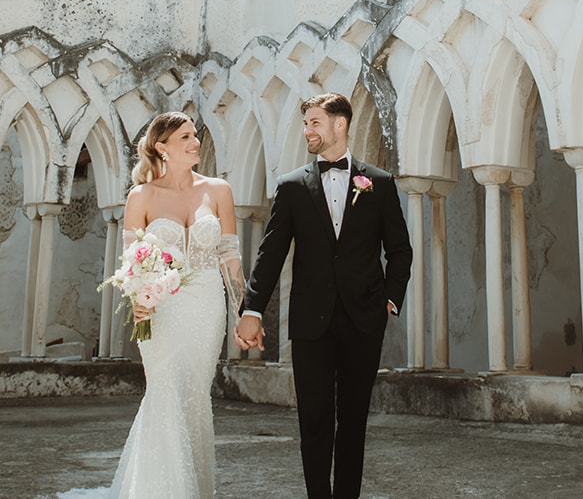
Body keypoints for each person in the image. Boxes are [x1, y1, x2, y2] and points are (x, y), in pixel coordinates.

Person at [234, 93, 412, 499]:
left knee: (353, 421)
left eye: (314, 122)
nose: (307, 131)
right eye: (305, 124)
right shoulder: (293, 186)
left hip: (364, 319)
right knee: (314, 422)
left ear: (340, 125)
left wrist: (390, 298)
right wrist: (253, 310)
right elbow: (270, 252)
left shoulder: (379, 184)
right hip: (311, 321)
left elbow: (400, 249)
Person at [103, 112, 243, 499]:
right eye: (185, 137)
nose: (195, 142)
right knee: (165, 391)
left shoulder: (218, 190)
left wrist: (242, 311)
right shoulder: (141, 196)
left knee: (195, 394)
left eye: (195, 135)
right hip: (161, 309)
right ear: (161, 146)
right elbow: (130, 259)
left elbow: (230, 256)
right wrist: (140, 300)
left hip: (207, 306)